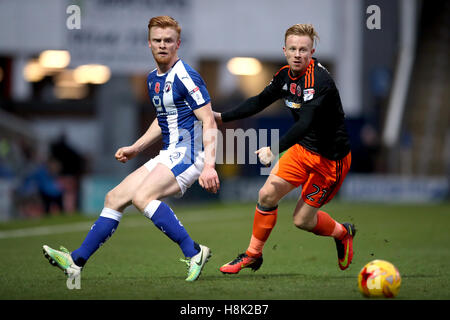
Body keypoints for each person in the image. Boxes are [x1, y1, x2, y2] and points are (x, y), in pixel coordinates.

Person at [43, 16, 220, 282]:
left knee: (143, 197)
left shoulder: (186, 75)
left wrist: (209, 165)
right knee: (114, 197)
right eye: (158, 40)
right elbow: (162, 120)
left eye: (168, 41)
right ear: (149, 44)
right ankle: (75, 261)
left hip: (190, 153)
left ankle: (193, 251)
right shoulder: (153, 79)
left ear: (178, 44)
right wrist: (136, 147)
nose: (163, 45)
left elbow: (208, 120)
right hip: (170, 152)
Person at [215, 24, 355, 274]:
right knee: (266, 195)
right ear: (285, 50)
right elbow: (259, 101)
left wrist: (274, 149)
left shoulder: (319, 80)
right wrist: (222, 117)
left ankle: (343, 233)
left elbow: (305, 123)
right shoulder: (283, 76)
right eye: (293, 49)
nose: (298, 54)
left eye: (303, 49)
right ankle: (252, 255)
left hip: (329, 161)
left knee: (302, 220)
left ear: (312, 52)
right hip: (302, 150)